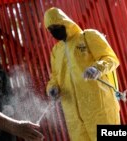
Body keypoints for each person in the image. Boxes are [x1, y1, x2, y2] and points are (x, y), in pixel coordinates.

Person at [44, 7, 120, 141]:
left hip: (100, 110)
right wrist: (52, 88)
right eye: (50, 29)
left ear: (65, 22)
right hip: (74, 117)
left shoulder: (88, 36)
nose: (53, 31)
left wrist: (97, 68)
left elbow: (110, 58)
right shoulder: (56, 50)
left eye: (55, 26)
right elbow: (55, 77)